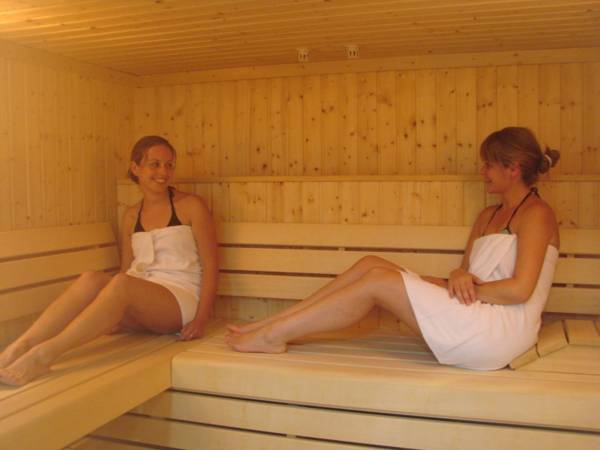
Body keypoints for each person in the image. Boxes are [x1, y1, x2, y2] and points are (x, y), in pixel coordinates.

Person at [226, 127, 560, 370]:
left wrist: (466, 286)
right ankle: (270, 325)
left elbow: (520, 290)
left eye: (488, 165)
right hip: (473, 308)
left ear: (513, 168)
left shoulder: (537, 214)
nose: (482, 172)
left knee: (378, 282)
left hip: (500, 331)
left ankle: (273, 336)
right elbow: (465, 275)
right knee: (370, 264)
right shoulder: (487, 215)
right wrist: (459, 275)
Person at [0, 135, 218, 385]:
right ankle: (20, 346)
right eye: (155, 164)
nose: (163, 172)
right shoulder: (131, 216)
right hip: (141, 300)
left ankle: (44, 355)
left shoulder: (191, 206)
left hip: (179, 300)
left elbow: (211, 266)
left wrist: (201, 319)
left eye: (169, 165)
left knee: (121, 283)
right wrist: (109, 311)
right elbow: (126, 269)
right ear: (135, 168)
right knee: (91, 279)